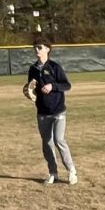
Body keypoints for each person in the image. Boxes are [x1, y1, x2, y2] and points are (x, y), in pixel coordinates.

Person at [26, 37, 78, 185]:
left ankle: (72, 171)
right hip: (42, 112)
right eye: (35, 47)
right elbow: (31, 87)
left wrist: (52, 86)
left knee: (59, 140)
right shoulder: (33, 69)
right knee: (47, 143)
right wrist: (30, 92)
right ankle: (53, 172)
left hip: (58, 111)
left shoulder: (55, 67)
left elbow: (67, 85)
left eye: (40, 47)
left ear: (47, 49)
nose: (37, 50)